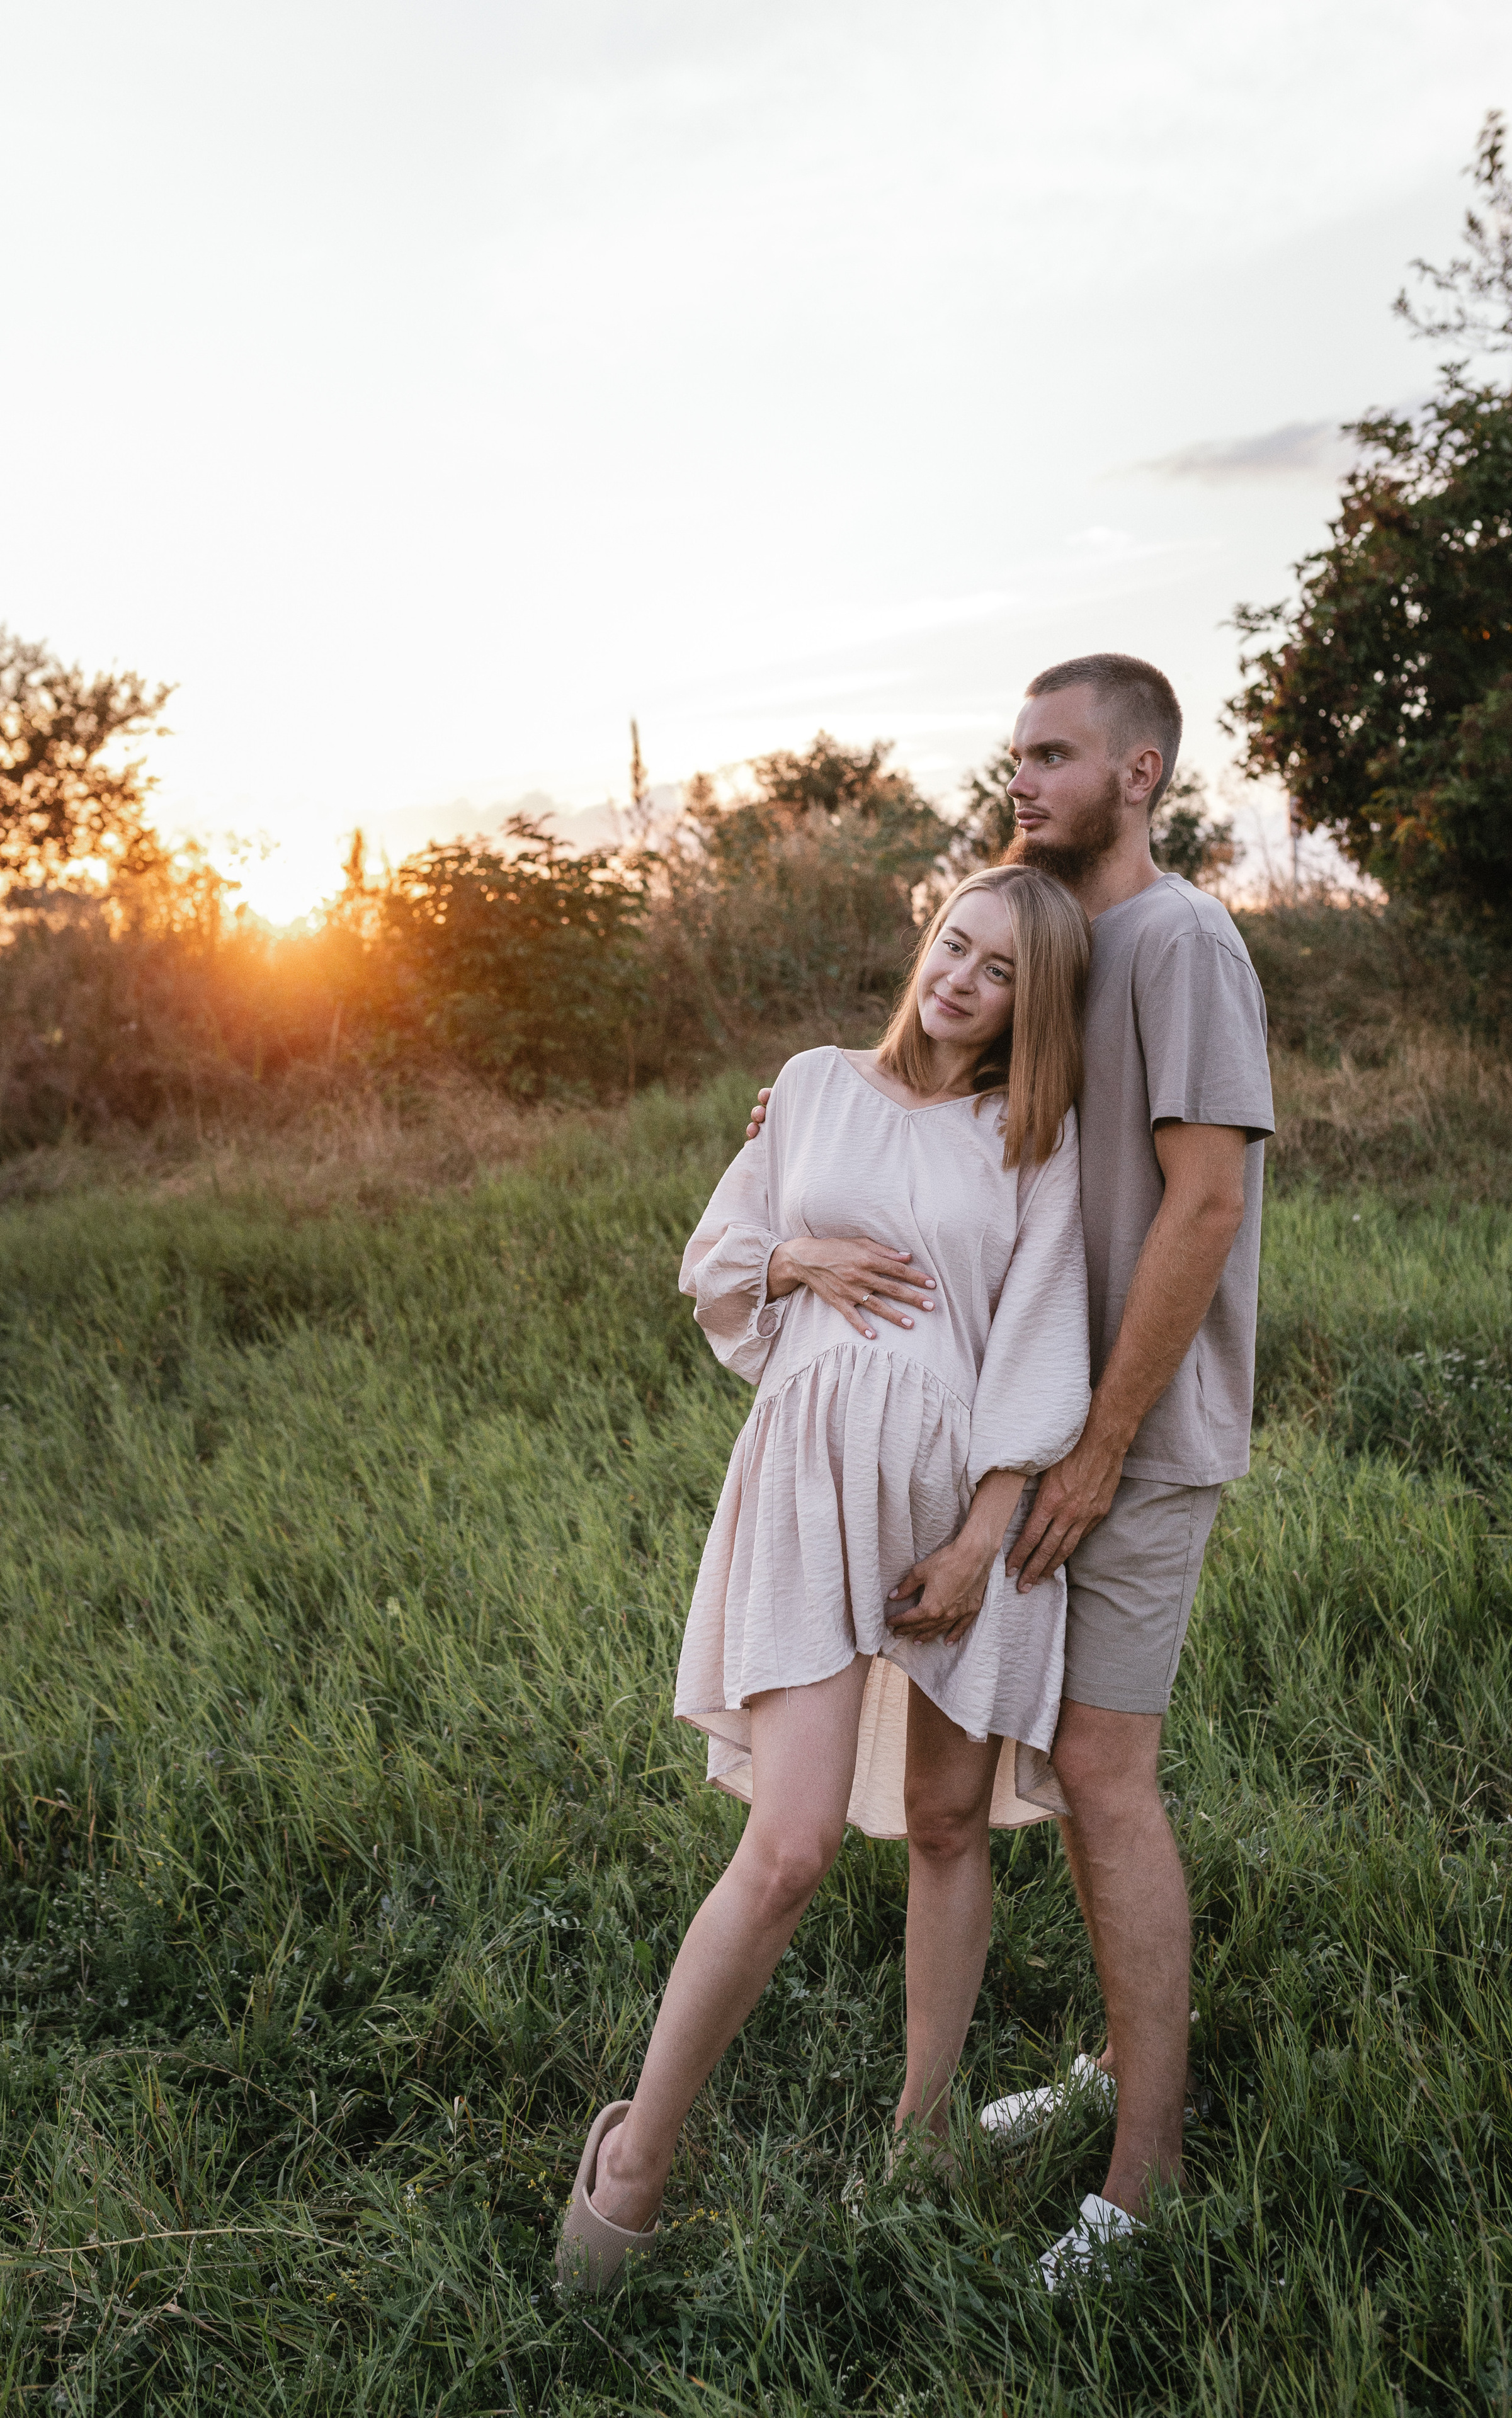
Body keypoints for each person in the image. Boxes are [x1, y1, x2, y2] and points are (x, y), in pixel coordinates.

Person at [744, 654, 1275, 2284]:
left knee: (1107, 1778)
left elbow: (1203, 1206)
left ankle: (1145, 2178)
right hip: (1029, 1443)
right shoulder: (1066, 944)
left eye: (1054, 756)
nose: (1021, 779)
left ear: (1141, 774)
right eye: (1017, 753)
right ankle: (1121, 2070)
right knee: (982, 1788)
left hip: (1122, 1445)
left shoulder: (1177, 942)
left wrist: (1099, 1450)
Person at [557, 864, 1093, 2296]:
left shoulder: (1033, 1143)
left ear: (1029, 1012)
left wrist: (986, 1537)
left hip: (955, 1513)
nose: (963, 981)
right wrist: (800, 1255)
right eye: (955, 948)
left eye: (1000, 976)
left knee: (940, 1820)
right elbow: (720, 1256)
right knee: (785, 1848)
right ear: (929, 944)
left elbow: (1040, 1338)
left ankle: (919, 2132)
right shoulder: (808, 1086)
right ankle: (635, 2158)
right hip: (805, 1489)